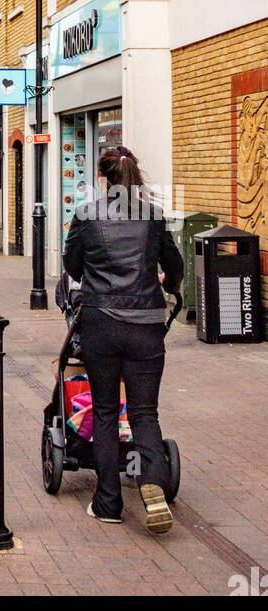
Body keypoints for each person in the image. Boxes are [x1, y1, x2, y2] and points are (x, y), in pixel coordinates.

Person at [62, 146, 184, 535]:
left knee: (105, 411)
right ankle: (152, 483)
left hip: (101, 324)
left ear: (104, 178)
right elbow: (174, 265)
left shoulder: (86, 214)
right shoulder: (153, 215)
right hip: (147, 323)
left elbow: (72, 266)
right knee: (145, 412)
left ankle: (108, 502)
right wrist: (169, 284)